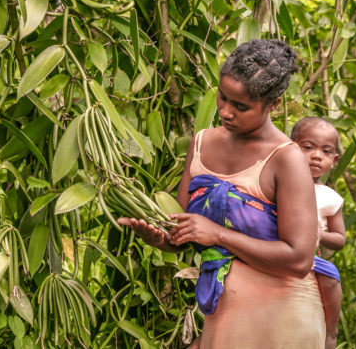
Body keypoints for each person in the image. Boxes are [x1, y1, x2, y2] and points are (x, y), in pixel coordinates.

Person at [118, 39, 325, 348]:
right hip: (226, 317)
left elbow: (299, 259)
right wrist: (159, 238)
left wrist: (218, 235)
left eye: (240, 106)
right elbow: (188, 231)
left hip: (283, 320)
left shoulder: (287, 158)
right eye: (222, 98)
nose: (226, 112)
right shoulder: (200, 143)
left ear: (274, 105)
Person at [291, 117, 346, 349]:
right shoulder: (280, 183)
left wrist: (320, 235)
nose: (316, 156)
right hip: (279, 250)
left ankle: (330, 334)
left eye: (325, 152)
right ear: (291, 147)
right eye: (308, 147)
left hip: (312, 259)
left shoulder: (330, 197)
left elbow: (340, 239)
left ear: (334, 160)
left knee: (331, 277)